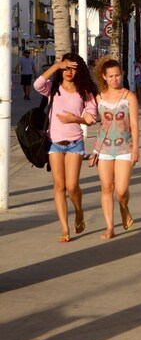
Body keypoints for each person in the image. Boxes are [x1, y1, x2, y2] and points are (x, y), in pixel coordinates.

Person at [34, 53, 99, 243]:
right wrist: (56, 66)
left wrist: (75, 119)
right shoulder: (53, 88)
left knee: (72, 186)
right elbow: (38, 84)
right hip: (53, 142)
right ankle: (64, 227)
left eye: (73, 68)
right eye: (66, 68)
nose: (69, 72)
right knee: (59, 186)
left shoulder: (85, 92)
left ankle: (79, 212)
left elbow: (91, 119)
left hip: (74, 144)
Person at [92, 59, 140, 239]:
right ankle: (109, 227)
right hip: (103, 148)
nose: (114, 79)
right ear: (104, 77)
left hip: (125, 148)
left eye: (117, 75)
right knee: (106, 187)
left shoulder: (129, 97)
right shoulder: (99, 97)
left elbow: (134, 124)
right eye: (110, 76)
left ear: (122, 75)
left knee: (121, 190)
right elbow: (92, 118)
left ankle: (123, 207)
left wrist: (136, 148)